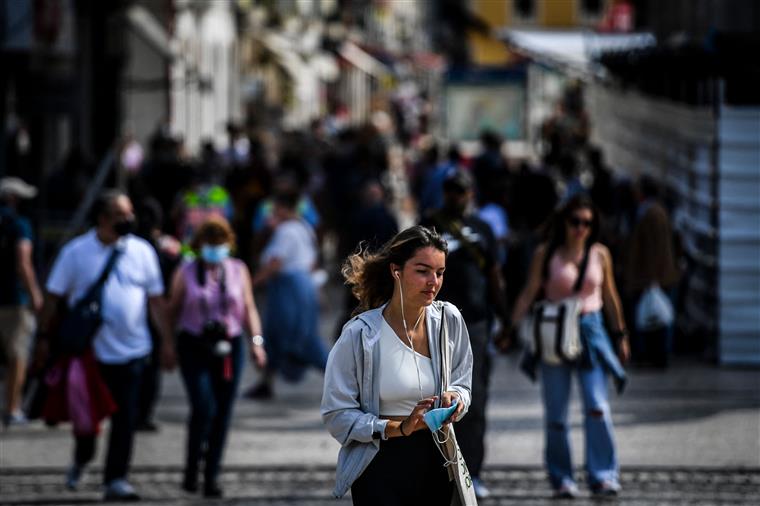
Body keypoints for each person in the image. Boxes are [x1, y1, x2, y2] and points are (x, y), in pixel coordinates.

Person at [37, 190, 175, 501]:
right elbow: (53, 298)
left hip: (134, 350)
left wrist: (166, 341)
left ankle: (116, 478)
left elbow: (156, 301)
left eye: (129, 213)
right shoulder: (75, 252)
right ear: (101, 218)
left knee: (126, 418)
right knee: (87, 420)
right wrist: (44, 338)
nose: (128, 219)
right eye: (120, 214)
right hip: (89, 354)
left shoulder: (142, 251)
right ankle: (82, 458)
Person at [321, 225, 473, 504]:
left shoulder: (449, 321)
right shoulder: (361, 334)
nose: (433, 282)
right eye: (422, 271)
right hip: (379, 464)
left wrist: (456, 400)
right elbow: (337, 415)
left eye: (439, 273)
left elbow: (463, 385)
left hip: (438, 460)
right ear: (396, 271)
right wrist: (400, 427)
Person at [509, 195, 630, 498]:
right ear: (564, 222)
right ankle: (562, 477)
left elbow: (611, 297)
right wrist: (510, 328)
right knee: (557, 415)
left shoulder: (600, 255)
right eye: (575, 222)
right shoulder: (546, 253)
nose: (580, 229)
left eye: (587, 223)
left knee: (597, 407)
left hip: (591, 332)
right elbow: (528, 293)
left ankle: (602, 474)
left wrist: (621, 335)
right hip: (555, 335)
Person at [421, 169, 511, 498]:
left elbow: (495, 276)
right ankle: (436, 471)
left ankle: (472, 471)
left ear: (470, 193)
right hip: (435, 323)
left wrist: (507, 321)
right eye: (450, 190)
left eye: (461, 191)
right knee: (433, 399)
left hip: (476, 325)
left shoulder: (483, 230)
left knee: (474, 401)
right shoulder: (429, 226)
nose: (456, 197)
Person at [168, 216, 266, 498]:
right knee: (203, 407)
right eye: (209, 244)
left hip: (229, 345)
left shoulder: (237, 269)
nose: (215, 250)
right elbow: (172, 309)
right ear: (200, 246)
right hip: (194, 344)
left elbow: (248, 307)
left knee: (222, 413)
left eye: (220, 244)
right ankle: (191, 467)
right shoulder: (185, 271)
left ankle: (211, 475)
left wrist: (256, 343)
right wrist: (167, 344)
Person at [245, 190, 327, 399]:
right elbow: (312, 261)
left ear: (282, 208)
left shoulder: (287, 230)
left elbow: (275, 262)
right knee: (278, 336)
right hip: (302, 285)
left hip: (289, 289)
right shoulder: (304, 227)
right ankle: (266, 383)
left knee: (297, 338)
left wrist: (250, 284)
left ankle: (346, 384)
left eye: (274, 209)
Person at [623, 175, 680, 368]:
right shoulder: (651, 211)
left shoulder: (652, 213)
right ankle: (650, 355)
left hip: (652, 277)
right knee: (650, 316)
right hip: (652, 276)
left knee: (655, 317)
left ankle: (655, 356)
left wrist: (651, 278)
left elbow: (655, 249)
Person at [0, 177, 43, 427]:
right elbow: (23, 261)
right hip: (15, 299)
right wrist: (35, 294)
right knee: (18, 354)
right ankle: (13, 408)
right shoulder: (20, 225)